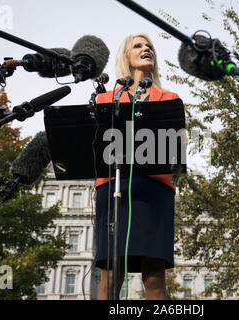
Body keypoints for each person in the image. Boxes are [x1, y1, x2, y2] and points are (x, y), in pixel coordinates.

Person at [94, 33, 181, 300]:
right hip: (114, 190)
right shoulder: (106, 99)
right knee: (111, 273)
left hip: (155, 192)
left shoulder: (169, 98)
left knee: (154, 275)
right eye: (139, 46)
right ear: (126, 56)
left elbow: (177, 151)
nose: (147, 50)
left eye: (150, 46)